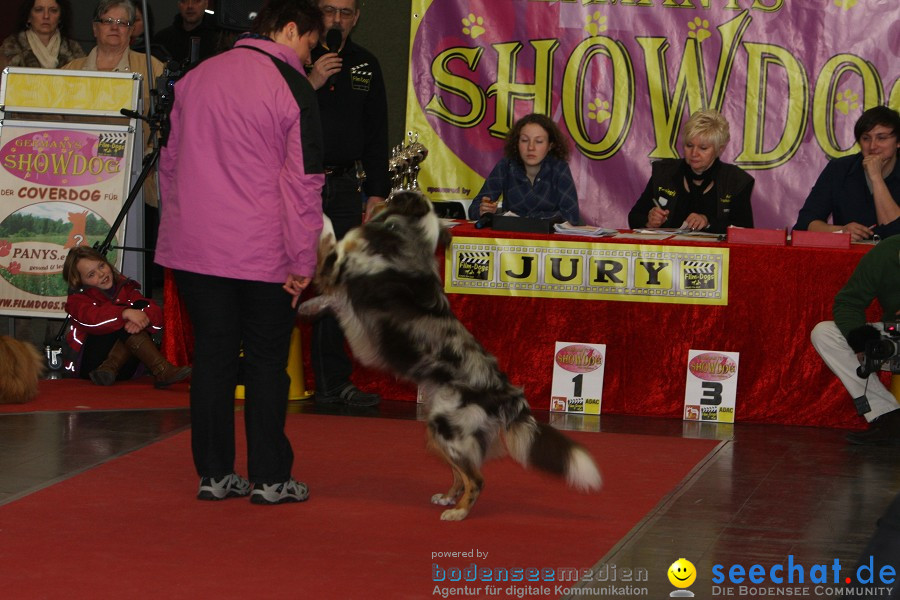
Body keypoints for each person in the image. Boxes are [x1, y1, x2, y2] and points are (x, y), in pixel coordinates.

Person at [155, 0, 325, 504]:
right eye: (310, 43)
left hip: (196, 249)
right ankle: (271, 479)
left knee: (213, 359)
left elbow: (169, 165)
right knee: (268, 364)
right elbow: (304, 183)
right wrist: (303, 261)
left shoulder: (196, 78)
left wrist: (177, 234)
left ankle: (214, 474)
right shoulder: (292, 86)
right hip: (262, 253)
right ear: (291, 29)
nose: (310, 55)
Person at [305, 0, 389, 407]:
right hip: (295, 185)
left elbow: (377, 133)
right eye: (328, 10)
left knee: (337, 285)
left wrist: (376, 192)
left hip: (341, 188)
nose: (336, 19)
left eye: (345, 12)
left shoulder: (366, 65)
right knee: (277, 277)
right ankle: (260, 373)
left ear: (357, 18)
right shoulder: (295, 59)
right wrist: (311, 80)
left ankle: (332, 383)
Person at [810, 234, 900, 445]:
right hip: (895, 333)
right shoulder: (886, 252)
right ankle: (886, 416)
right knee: (824, 333)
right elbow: (848, 302)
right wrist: (861, 341)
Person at [62, 246, 191, 387]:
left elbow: (156, 316)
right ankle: (162, 370)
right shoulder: (77, 300)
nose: (101, 274)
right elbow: (93, 319)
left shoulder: (126, 288)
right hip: (90, 365)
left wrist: (144, 317)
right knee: (119, 318)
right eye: (91, 274)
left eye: (101, 266)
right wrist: (124, 313)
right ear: (79, 282)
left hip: (123, 370)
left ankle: (109, 367)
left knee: (136, 312)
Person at [627, 108, 754, 233]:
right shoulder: (664, 172)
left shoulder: (737, 180)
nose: (694, 153)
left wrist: (708, 222)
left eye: (703, 148)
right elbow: (634, 217)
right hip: (670, 252)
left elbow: (745, 230)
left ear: (719, 149)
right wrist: (649, 222)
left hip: (716, 253)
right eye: (689, 145)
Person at [793, 106, 900, 241]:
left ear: (898, 142)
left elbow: (895, 233)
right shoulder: (840, 169)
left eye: (882, 138)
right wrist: (840, 231)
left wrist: (876, 177)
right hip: (846, 257)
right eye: (866, 138)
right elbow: (804, 223)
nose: (873, 146)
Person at [467, 113, 580, 225]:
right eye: (525, 140)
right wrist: (482, 211)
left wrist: (523, 218)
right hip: (510, 239)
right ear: (517, 143)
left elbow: (571, 216)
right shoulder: (506, 166)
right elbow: (473, 210)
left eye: (539, 141)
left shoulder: (559, 168)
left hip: (548, 240)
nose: (531, 147)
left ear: (550, 146)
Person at [0, 0, 85, 70]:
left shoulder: (74, 51)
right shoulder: (10, 49)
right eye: (39, 10)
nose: (46, 16)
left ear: (60, 17)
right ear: (28, 16)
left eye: (53, 10)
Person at [154, 0, 220, 64]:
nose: (190, 6)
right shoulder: (162, 39)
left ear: (206, 3)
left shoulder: (219, 38)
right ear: (179, 4)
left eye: (196, 1)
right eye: (184, 1)